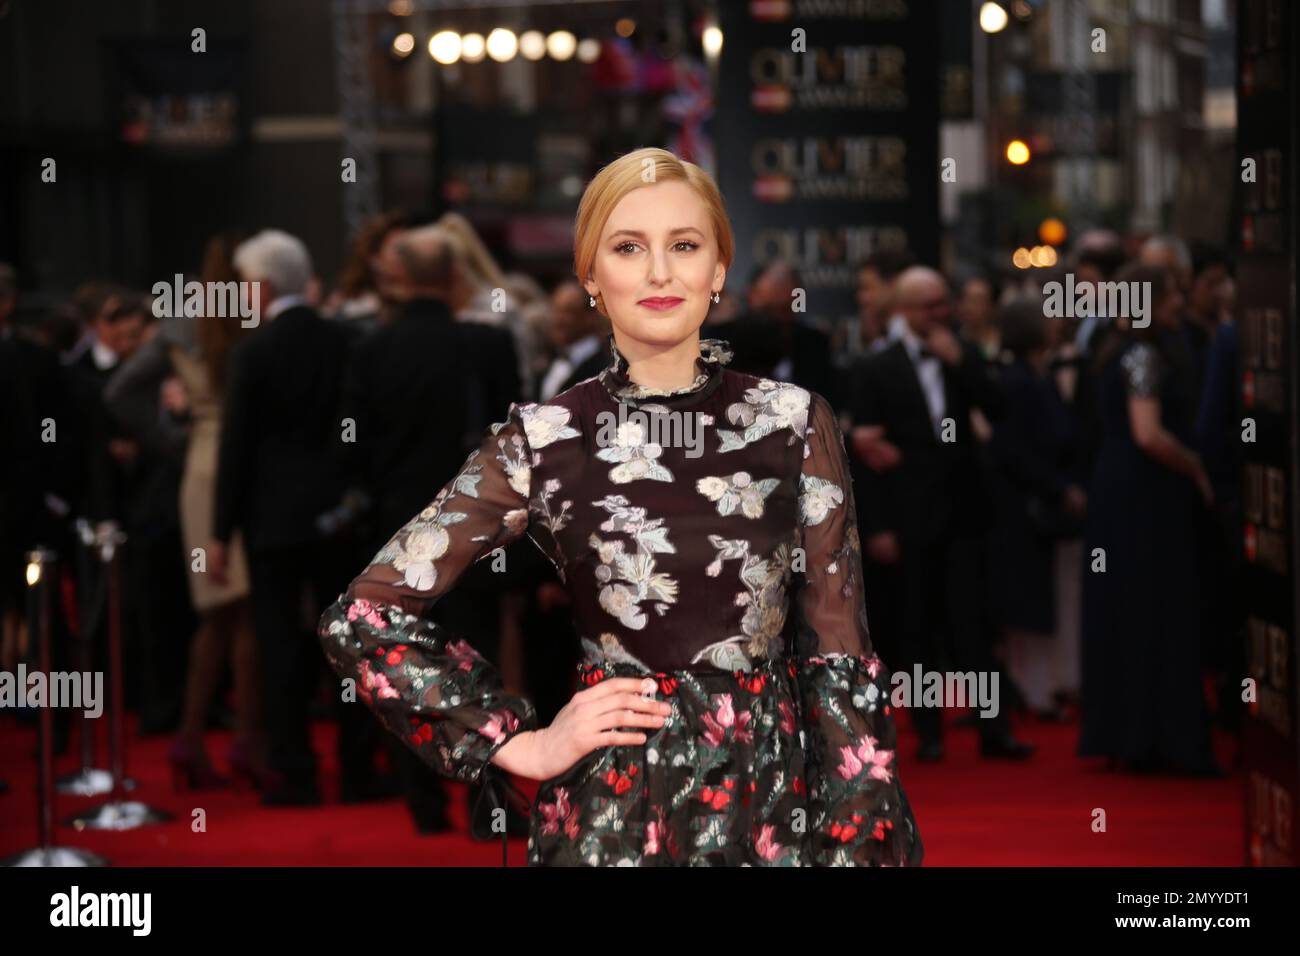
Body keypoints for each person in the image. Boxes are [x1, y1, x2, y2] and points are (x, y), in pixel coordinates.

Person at [318, 146, 923, 866]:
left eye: (685, 245)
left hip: (769, 809)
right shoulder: (545, 438)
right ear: (590, 276)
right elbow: (365, 618)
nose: (660, 271)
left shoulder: (791, 421)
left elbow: (838, 651)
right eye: (629, 247)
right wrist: (516, 741)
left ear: (719, 270)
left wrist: (857, 831)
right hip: (610, 811)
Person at [847, 267, 1033, 763]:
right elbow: (867, 457)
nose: (941, 313)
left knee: (975, 626)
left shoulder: (962, 355)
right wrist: (880, 526)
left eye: (943, 303)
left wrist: (964, 364)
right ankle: (930, 733)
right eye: (929, 306)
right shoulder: (874, 367)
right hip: (908, 519)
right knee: (916, 629)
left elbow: (999, 410)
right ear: (904, 310)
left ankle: (995, 731)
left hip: (966, 513)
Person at [1077, 264, 1222, 776]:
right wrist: (1197, 467)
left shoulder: (1116, 350)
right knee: (1156, 606)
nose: (1181, 303)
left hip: (1121, 490)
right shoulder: (1143, 355)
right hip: (1145, 494)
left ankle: (1133, 732)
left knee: (1131, 606)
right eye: (1172, 295)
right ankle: (1159, 736)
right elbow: (1149, 434)